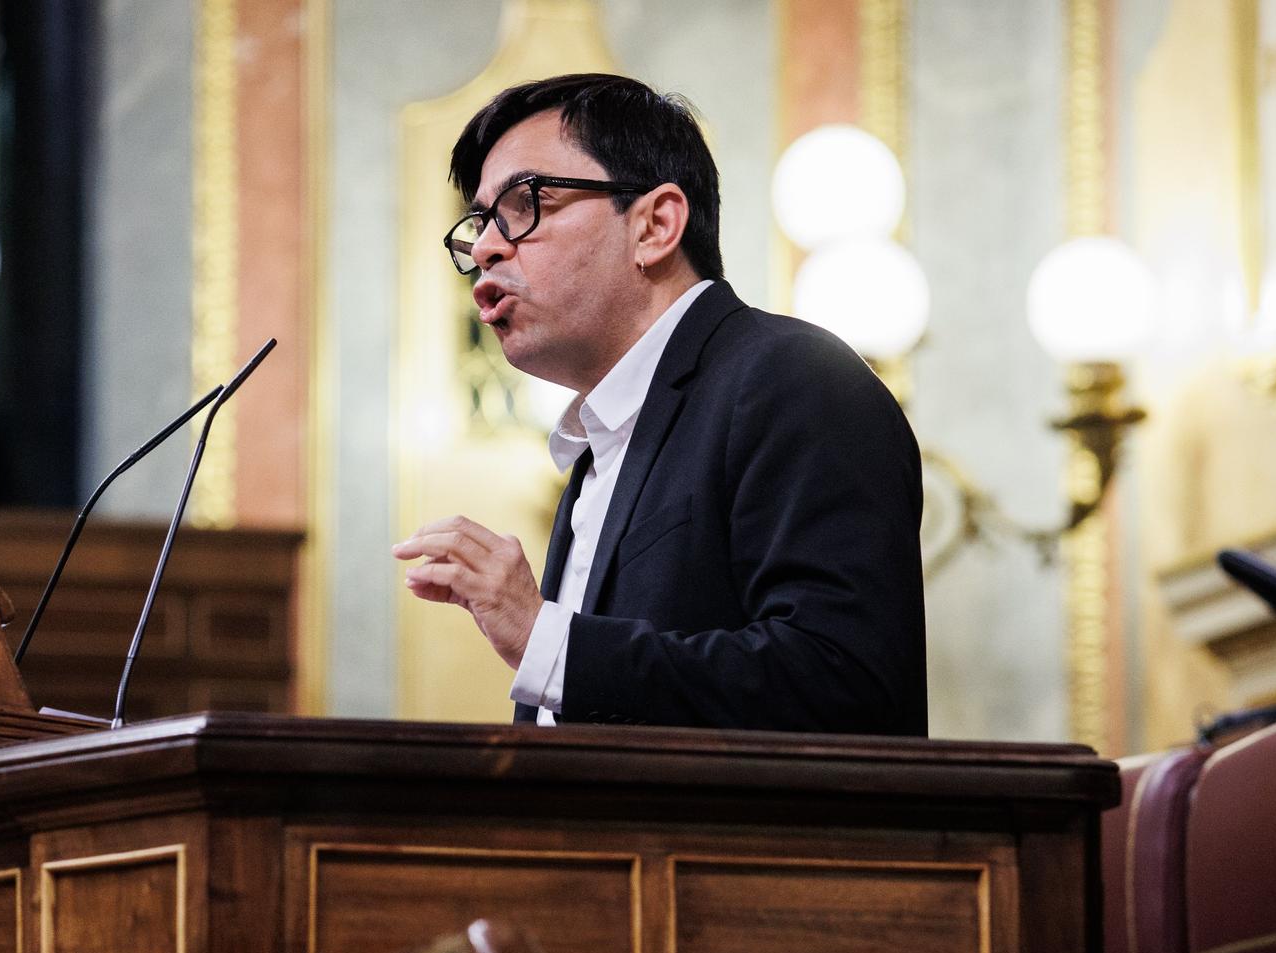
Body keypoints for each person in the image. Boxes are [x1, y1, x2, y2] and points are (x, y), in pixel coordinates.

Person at [392, 73, 927, 735]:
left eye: (527, 202)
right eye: (482, 223)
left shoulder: (796, 378)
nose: (489, 248)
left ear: (655, 225)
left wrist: (544, 638)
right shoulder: (597, 450)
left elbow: (843, 679)